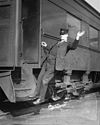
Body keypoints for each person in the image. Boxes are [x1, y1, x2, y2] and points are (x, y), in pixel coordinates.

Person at [33, 28, 85, 104]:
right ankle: (35, 93)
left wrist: (77, 36)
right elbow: (52, 50)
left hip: (54, 64)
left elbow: (74, 46)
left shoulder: (67, 44)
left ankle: (41, 98)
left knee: (44, 80)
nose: (61, 36)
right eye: (61, 35)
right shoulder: (57, 43)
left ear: (66, 35)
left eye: (63, 35)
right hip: (47, 62)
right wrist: (46, 46)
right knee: (40, 77)